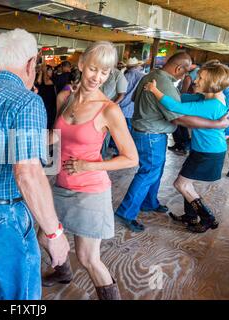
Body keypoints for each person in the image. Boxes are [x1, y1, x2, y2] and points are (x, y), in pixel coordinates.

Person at [0, 28, 70, 300]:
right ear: (32, 64)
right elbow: (27, 173)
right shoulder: (27, 101)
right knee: (21, 293)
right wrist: (54, 234)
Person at [42, 41, 138, 300]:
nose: (98, 77)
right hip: (62, 184)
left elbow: (131, 158)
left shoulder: (109, 109)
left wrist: (88, 165)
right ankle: (62, 271)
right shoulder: (67, 98)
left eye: (105, 72)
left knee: (88, 258)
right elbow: (57, 135)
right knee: (45, 237)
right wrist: (25, 141)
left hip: (90, 191)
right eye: (94, 69)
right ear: (82, 65)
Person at [114, 52, 229, 232]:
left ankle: (150, 202)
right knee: (150, 173)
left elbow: (133, 99)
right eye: (188, 74)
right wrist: (216, 124)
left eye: (198, 77)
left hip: (156, 134)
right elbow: (178, 118)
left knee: (157, 171)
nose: (191, 80)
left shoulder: (153, 76)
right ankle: (126, 212)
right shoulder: (163, 83)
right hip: (151, 134)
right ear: (178, 69)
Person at [100, 66, 128, 158]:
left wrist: (112, 105)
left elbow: (122, 94)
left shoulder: (118, 75)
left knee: (105, 134)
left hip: (108, 109)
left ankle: (101, 156)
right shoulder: (99, 71)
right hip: (96, 106)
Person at [36, 63, 57, 130]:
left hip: (51, 102)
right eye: (48, 70)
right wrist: (42, 72)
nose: (50, 71)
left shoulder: (53, 78)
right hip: (42, 101)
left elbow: (46, 82)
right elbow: (39, 81)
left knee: (50, 119)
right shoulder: (41, 77)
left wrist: (44, 71)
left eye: (51, 70)